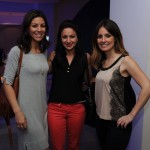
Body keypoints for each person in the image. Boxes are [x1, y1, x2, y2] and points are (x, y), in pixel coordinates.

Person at [90, 19, 150, 150]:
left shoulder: (125, 60)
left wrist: (131, 115)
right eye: (99, 36)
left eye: (108, 35)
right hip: (100, 120)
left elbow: (147, 86)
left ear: (115, 38)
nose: (103, 40)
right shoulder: (102, 62)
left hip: (117, 123)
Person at [3, 9, 50, 150]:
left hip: (42, 111)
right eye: (34, 26)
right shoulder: (17, 51)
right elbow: (7, 83)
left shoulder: (43, 52)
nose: (39, 29)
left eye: (42, 26)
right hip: (26, 113)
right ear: (27, 28)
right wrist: (17, 112)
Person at [47, 20, 91, 150]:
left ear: (77, 38)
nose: (68, 40)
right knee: (57, 146)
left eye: (72, 36)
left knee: (74, 145)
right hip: (55, 108)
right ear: (60, 39)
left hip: (77, 108)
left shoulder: (85, 56)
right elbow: (42, 74)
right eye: (64, 37)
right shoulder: (54, 55)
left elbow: (88, 80)